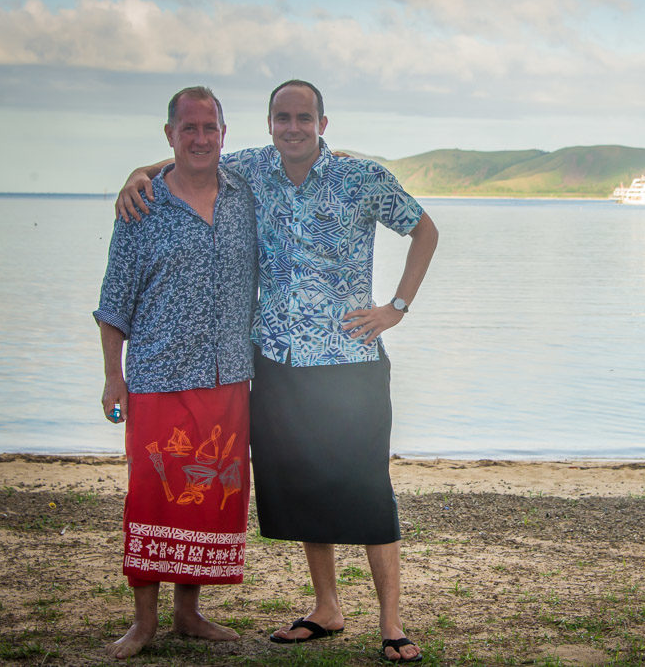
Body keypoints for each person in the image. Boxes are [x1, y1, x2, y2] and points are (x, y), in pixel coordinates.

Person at [117, 79, 439, 663]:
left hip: (350, 360)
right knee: (307, 487)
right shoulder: (251, 171)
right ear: (268, 124)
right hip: (277, 361)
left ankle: (392, 623)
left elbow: (424, 229)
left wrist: (396, 307)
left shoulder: (360, 179)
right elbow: (193, 152)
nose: (293, 127)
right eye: (282, 117)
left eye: (303, 118)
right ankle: (327, 608)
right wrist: (139, 173)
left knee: (368, 490)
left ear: (322, 122)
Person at [96, 86, 258, 659]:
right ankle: (142, 624)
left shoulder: (245, 192)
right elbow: (114, 303)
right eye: (188, 128)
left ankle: (190, 614)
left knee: (209, 494)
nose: (199, 138)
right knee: (151, 494)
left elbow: (300, 150)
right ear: (169, 134)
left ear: (223, 133)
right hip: (159, 377)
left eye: (209, 127)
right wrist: (114, 378)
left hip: (228, 376)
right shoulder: (142, 208)